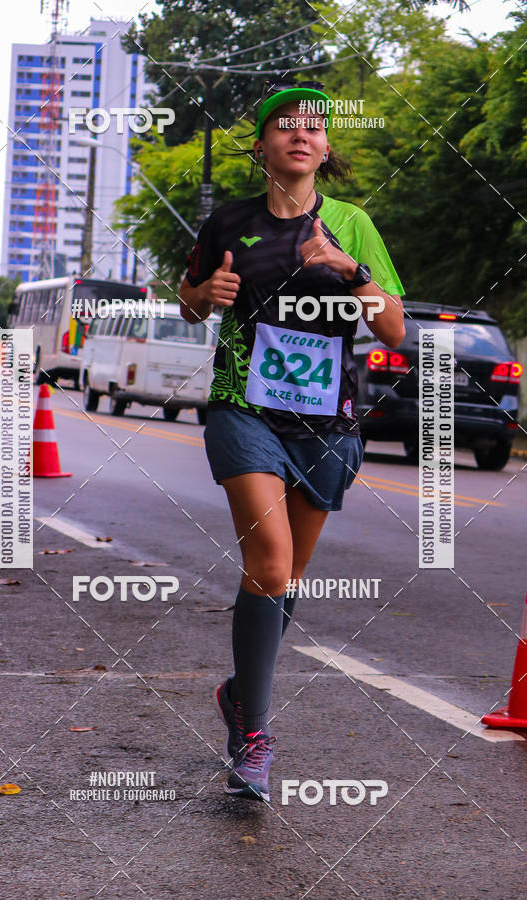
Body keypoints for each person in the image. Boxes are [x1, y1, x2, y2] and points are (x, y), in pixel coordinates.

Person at [179, 82, 405, 803]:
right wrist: (203, 296)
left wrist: (351, 271)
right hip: (242, 408)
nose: (300, 137)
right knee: (270, 564)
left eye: (313, 128)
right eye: (285, 127)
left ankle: (239, 694)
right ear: (264, 146)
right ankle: (255, 739)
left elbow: (393, 330)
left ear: (326, 148)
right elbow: (188, 299)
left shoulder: (352, 223)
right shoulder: (230, 221)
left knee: (285, 580)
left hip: (327, 422)